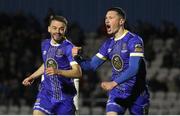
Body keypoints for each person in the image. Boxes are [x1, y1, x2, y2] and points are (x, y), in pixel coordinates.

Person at [72, 7, 150, 115]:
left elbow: (134, 68)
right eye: (105, 18)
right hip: (118, 92)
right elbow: (91, 66)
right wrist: (77, 57)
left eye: (111, 17)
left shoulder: (134, 40)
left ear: (121, 21)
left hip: (137, 93)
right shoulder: (108, 44)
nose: (106, 21)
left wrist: (113, 83)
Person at [22, 15, 82, 115]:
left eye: (61, 29)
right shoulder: (44, 44)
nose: (57, 31)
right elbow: (46, 64)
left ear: (65, 30)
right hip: (46, 94)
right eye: (54, 28)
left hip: (64, 97)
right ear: (49, 29)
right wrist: (32, 77)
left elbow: (78, 72)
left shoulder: (69, 48)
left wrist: (58, 71)